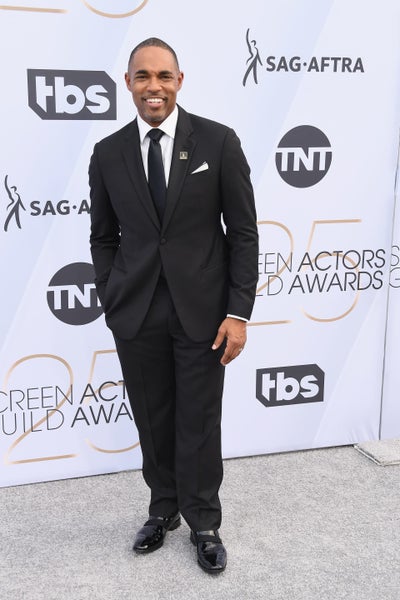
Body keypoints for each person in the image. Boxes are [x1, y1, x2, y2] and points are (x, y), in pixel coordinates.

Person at [89, 37, 258, 574]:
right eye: (142, 76)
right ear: (128, 83)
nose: (153, 86)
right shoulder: (108, 153)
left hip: (204, 312)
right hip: (136, 311)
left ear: (179, 81)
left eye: (163, 75)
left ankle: (204, 521)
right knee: (153, 416)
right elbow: (103, 236)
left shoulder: (218, 141)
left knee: (200, 419)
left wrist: (238, 311)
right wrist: (111, 292)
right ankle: (163, 509)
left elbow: (244, 232)